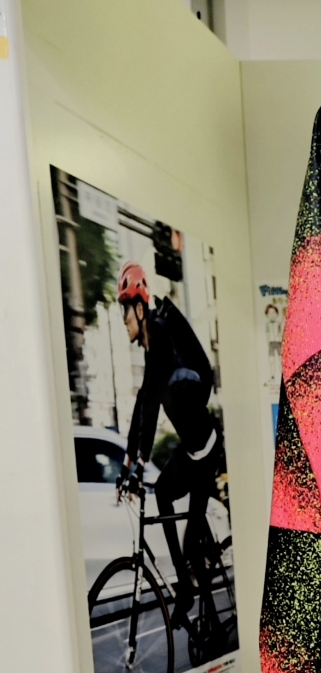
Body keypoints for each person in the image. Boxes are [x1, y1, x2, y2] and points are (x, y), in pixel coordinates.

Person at [116, 262, 222, 624]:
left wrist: (141, 463)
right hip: (190, 454)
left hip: (206, 451)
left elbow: (150, 403)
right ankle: (187, 589)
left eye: (126, 311)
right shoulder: (153, 349)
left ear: (140, 308)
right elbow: (142, 404)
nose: (124, 321)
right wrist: (128, 464)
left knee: (191, 544)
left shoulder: (160, 335)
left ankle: (204, 608)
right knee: (162, 492)